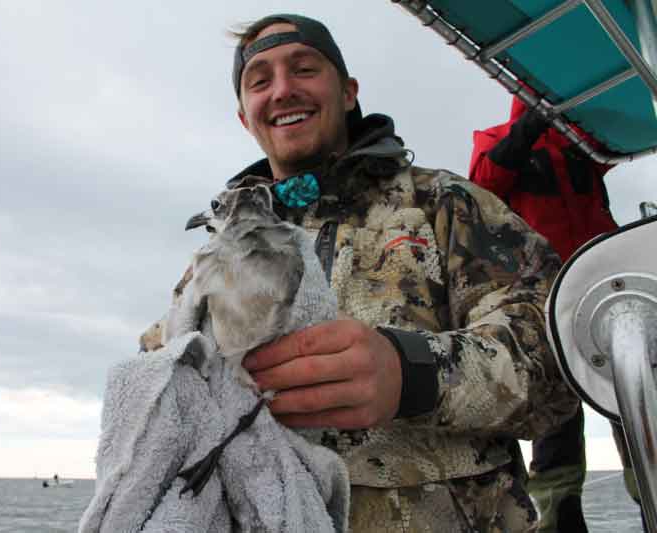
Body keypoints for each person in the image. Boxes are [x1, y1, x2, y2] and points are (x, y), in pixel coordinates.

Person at [140, 14, 578, 531]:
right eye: (260, 80)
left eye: (304, 69)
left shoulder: (445, 205)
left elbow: (558, 362)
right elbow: (157, 368)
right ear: (244, 116)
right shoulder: (220, 251)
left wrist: (411, 373)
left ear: (348, 93)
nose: (282, 90)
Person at [469, 94, 619, 533]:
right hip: (548, 295)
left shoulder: (580, 140)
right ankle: (558, 516)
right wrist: (528, 128)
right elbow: (483, 184)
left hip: (603, 284)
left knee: (632, 398)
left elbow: (614, 148)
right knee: (558, 415)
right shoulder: (496, 139)